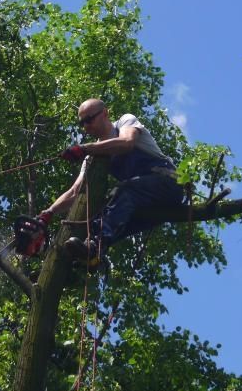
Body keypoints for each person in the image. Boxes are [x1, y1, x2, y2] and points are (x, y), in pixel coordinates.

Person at [39, 98, 184, 267]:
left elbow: (127, 143)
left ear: (105, 113)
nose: (86, 126)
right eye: (82, 123)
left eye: (89, 119)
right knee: (106, 215)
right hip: (145, 202)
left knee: (124, 191)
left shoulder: (124, 122)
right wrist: (48, 213)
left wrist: (85, 148)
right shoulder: (91, 157)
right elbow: (75, 191)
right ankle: (83, 262)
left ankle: (95, 246)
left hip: (169, 184)